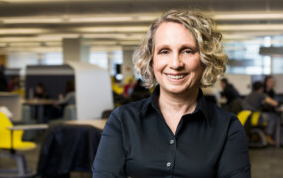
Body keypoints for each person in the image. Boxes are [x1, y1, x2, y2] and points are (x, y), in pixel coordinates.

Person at [93, 10, 251, 177]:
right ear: (151, 60)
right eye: (164, 51)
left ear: (205, 60)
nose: (175, 64)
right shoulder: (122, 121)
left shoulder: (227, 127)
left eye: (187, 51)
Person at [242, 81, 279, 145]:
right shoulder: (260, 94)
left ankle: (256, 136)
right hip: (255, 117)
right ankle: (268, 135)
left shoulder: (249, 95)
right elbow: (274, 103)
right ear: (261, 88)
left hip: (247, 118)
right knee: (274, 117)